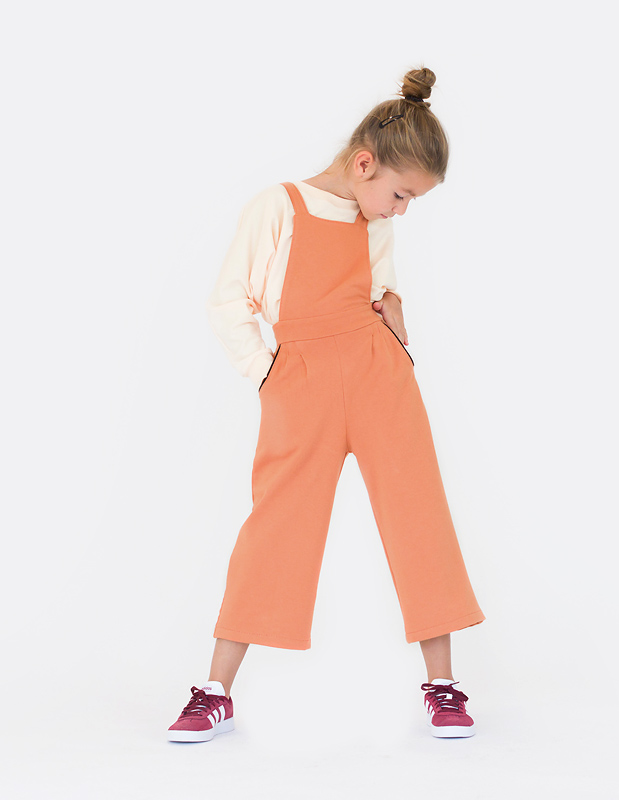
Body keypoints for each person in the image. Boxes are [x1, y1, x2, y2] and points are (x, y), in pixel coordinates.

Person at [167, 66, 485, 743]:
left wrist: (396, 319)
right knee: (276, 525)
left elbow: (380, 291)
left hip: (378, 376)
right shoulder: (277, 207)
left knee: (417, 514)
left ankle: (443, 684)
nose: (401, 210)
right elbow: (229, 301)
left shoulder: (375, 221)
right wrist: (268, 373)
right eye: (401, 194)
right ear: (365, 164)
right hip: (300, 379)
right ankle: (215, 690)